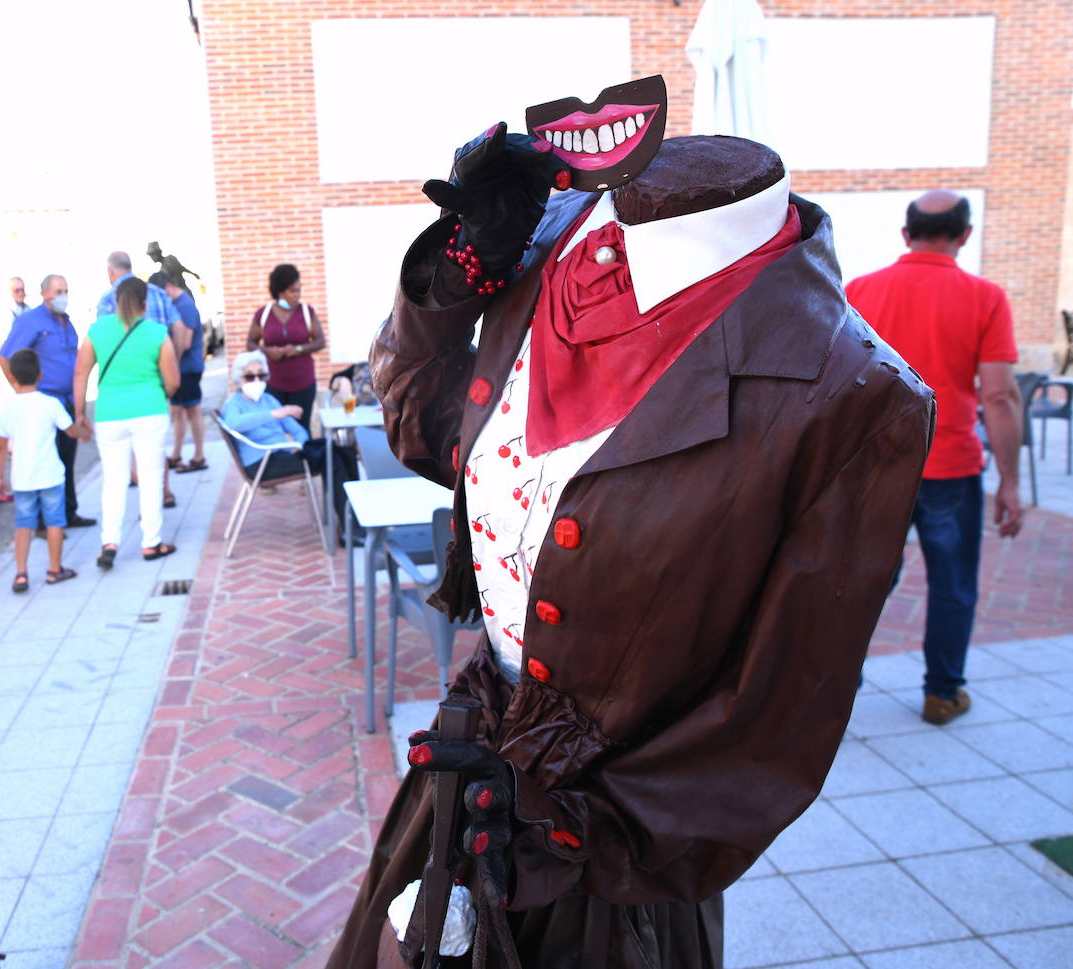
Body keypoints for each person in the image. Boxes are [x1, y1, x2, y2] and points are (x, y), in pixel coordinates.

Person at [328, 83, 933, 968]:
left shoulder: (852, 393)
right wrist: (453, 279)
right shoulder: (543, 250)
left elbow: (775, 719)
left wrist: (573, 831)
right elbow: (425, 431)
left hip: (609, 855)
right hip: (466, 771)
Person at [846, 190, 1024, 726]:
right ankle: (942, 694)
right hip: (949, 464)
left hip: (874, 466)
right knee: (952, 583)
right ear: (964, 235)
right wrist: (1011, 483)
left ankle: (835, 689)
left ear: (906, 234)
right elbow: (999, 396)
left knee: (860, 582)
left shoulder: (859, 290)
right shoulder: (985, 297)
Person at [74, 275, 179, 569]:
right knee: (150, 477)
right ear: (144, 304)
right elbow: (173, 381)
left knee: (114, 480)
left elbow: (80, 373)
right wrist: (159, 394)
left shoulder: (97, 330)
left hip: (110, 415)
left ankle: (110, 542)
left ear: (117, 301)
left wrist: (79, 413)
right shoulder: (157, 333)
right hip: (150, 411)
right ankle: (151, 543)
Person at [0, 274, 95, 528]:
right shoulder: (31, 321)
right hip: (44, 402)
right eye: (57, 291)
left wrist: (79, 407)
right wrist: (21, 389)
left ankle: (68, 512)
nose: (62, 295)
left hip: (66, 402)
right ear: (44, 294)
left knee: (67, 459)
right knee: (46, 461)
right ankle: (44, 521)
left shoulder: (66, 321)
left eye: (65, 290)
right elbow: (4, 357)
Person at [221, 350, 355, 525]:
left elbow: (297, 430)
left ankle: (355, 517)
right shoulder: (233, 405)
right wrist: (275, 414)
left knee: (344, 453)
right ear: (239, 380)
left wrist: (300, 445)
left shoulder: (268, 400)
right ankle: (350, 527)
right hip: (261, 463)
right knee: (332, 458)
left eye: (261, 376)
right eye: (250, 377)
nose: (257, 381)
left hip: (283, 454)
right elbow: (233, 424)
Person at [0, 348, 83, 592]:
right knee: (55, 522)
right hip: (51, 474)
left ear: (12, 377)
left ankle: (21, 573)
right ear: (41, 375)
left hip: (22, 478)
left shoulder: (7, 409)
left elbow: (0, 448)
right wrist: (80, 426)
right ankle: (54, 569)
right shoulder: (50, 404)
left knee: (23, 524)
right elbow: (71, 431)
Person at [245, 263, 324, 432]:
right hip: (273, 384)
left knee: (302, 430)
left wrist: (298, 349)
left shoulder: (306, 312)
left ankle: (304, 459)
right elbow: (250, 344)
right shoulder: (263, 314)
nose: (297, 295)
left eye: (298, 290)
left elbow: (320, 341)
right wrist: (267, 351)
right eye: (292, 291)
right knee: (276, 429)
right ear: (280, 291)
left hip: (303, 383)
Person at [152, 271, 207, 472]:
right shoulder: (175, 304)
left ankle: (199, 456)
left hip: (187, 368)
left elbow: (185, 341)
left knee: (193, 411)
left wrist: (169, 362)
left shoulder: (185, 305)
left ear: (167, 287)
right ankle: (176, 454)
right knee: (177, 412)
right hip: (178, 368)